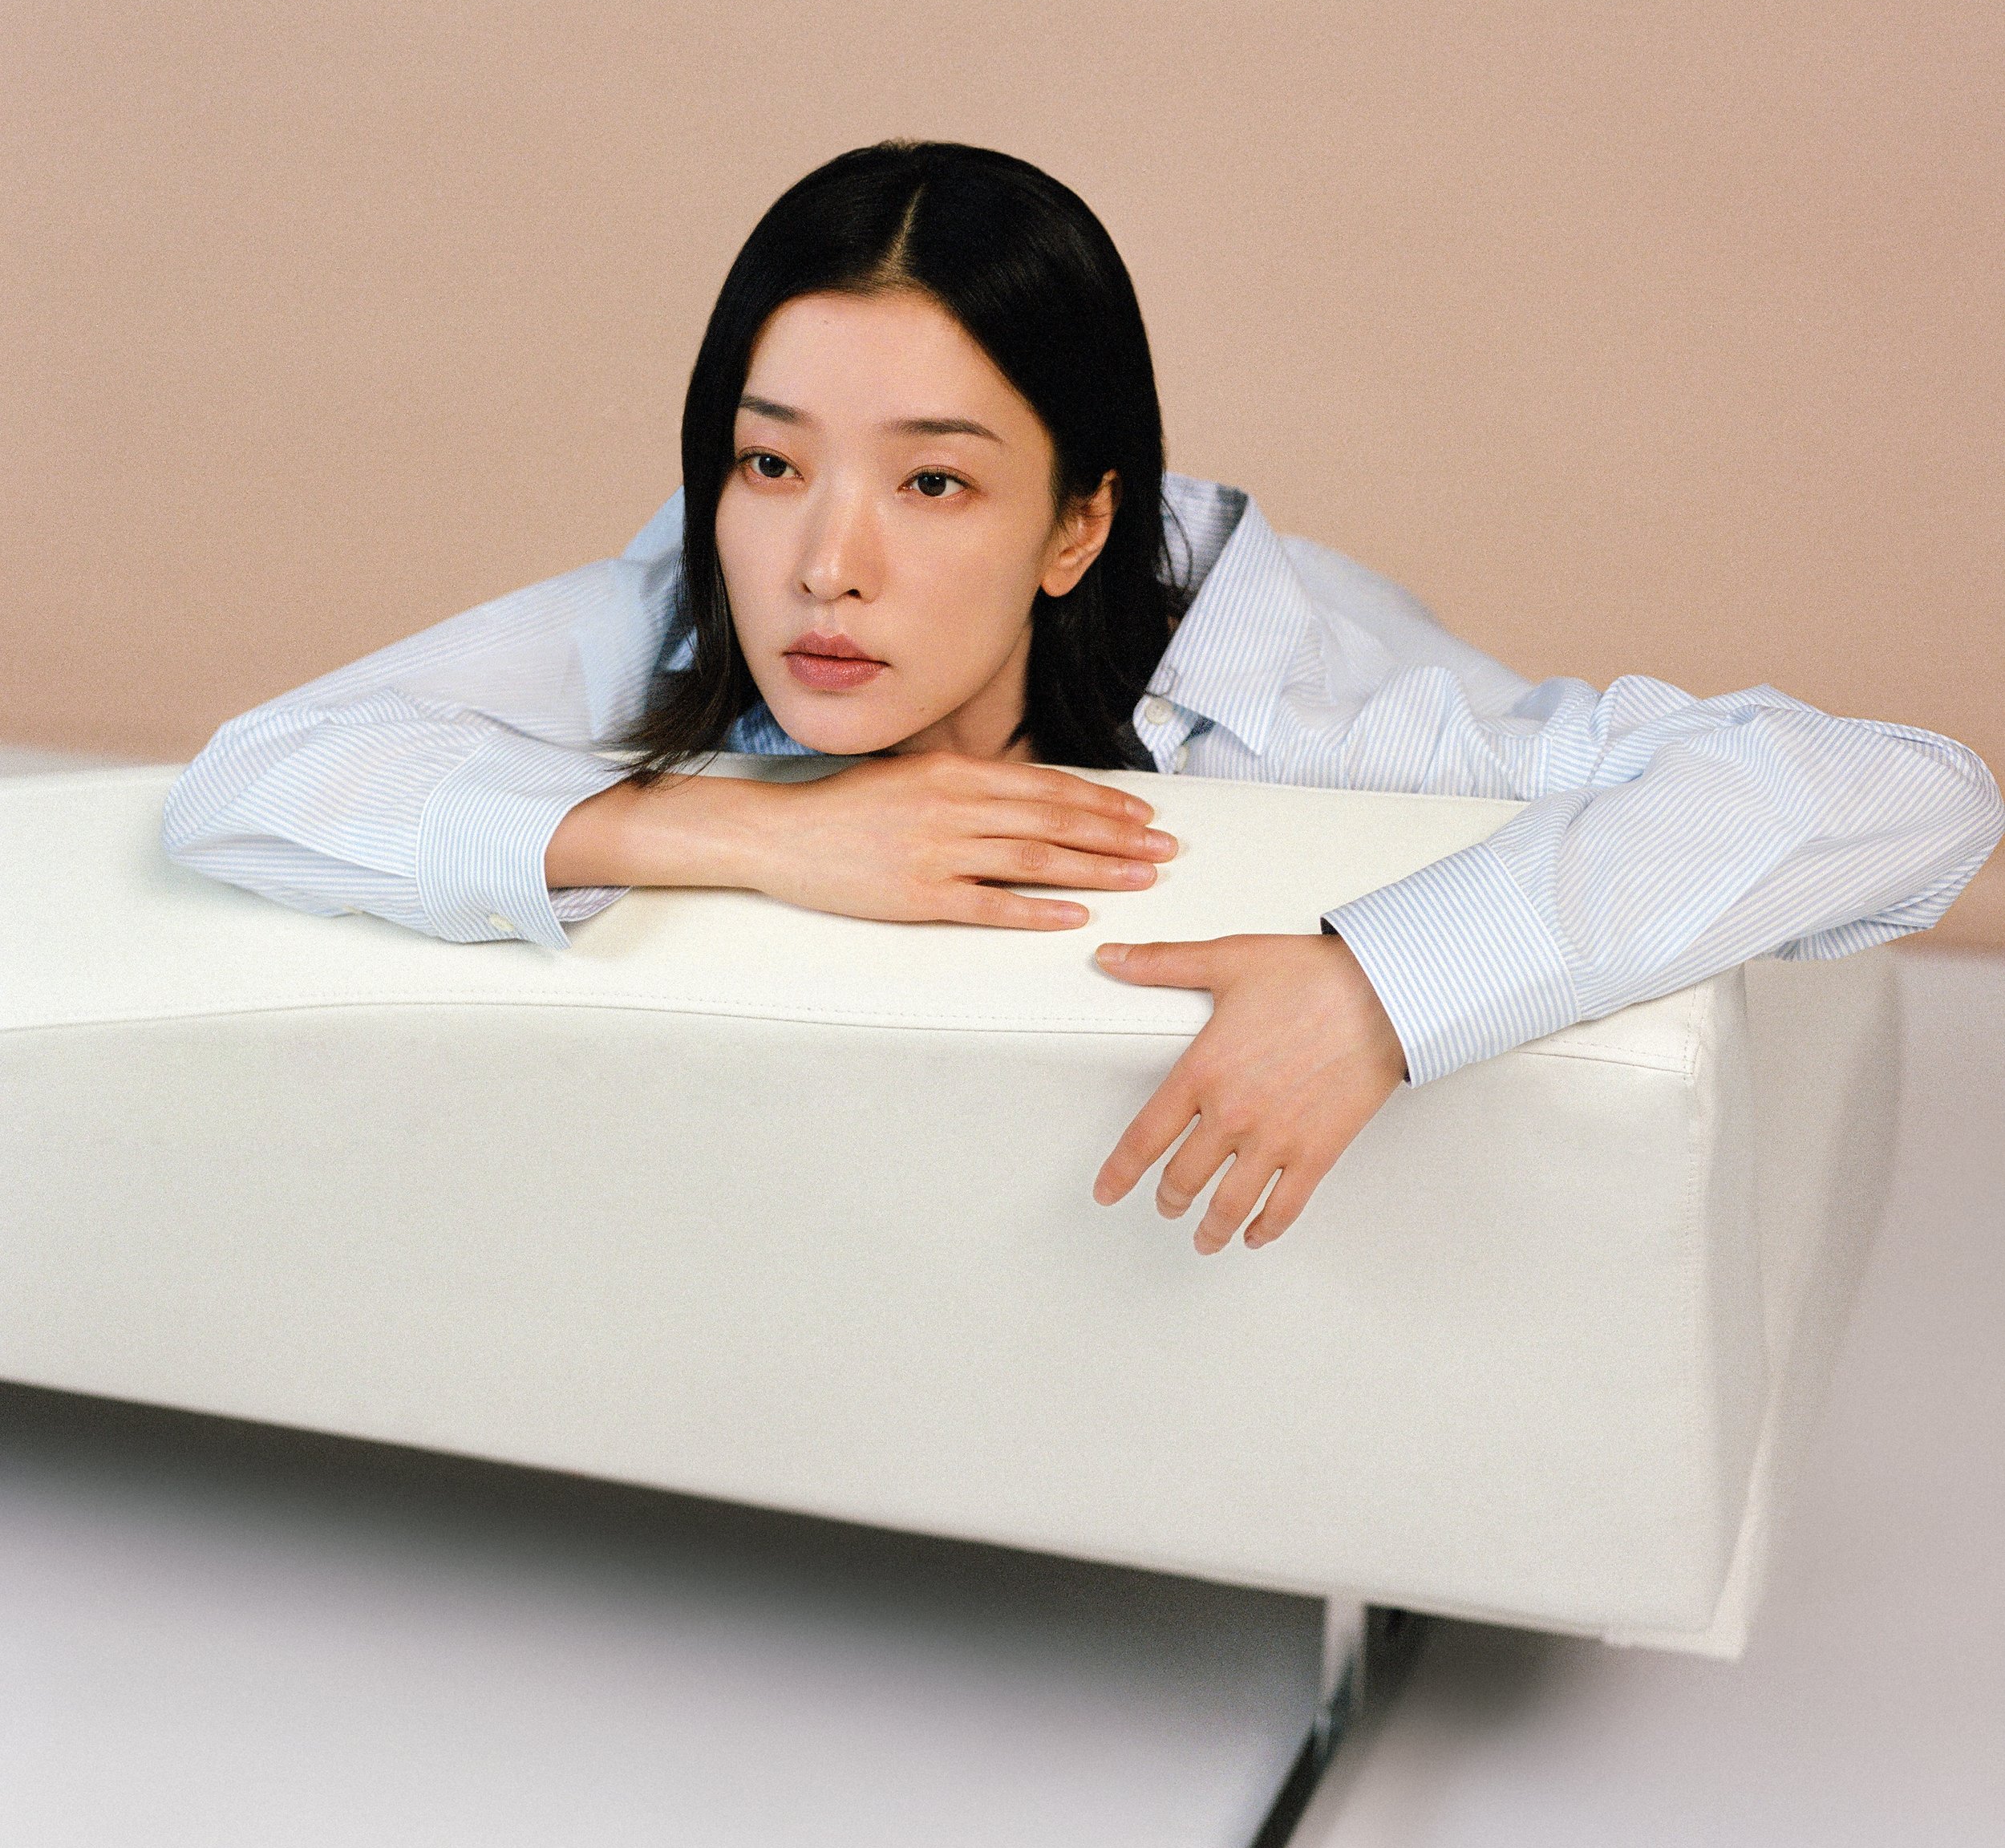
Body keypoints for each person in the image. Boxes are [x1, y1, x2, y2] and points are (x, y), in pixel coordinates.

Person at [164, 140, 2004, 1256]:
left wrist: (1380, 988)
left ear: (1075, 524)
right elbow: (256, 780)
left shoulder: (1302, 699)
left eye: (934, 482)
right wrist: (738, 830)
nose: (823, 565)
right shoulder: (692, 591)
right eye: (770, 461)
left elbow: (1901, 791)